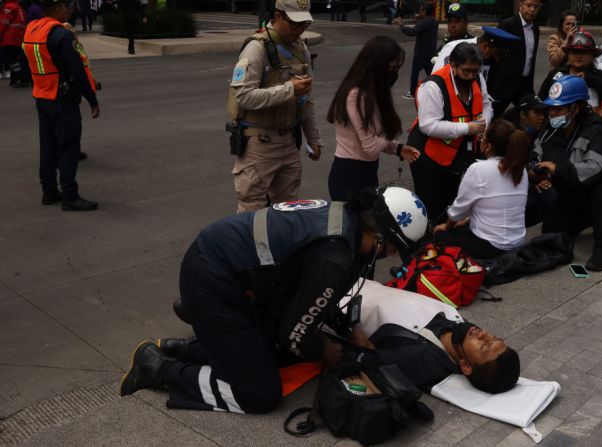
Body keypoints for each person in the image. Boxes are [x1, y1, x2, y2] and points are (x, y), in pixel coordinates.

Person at [119, 187, 430, 413]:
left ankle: (184, 347)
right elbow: (294, 333)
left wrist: (349, 331)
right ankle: (157, 368)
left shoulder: (344, 218)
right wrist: (324, 348)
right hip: (214, 280)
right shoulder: (334, 257)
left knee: (274, 350)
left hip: (224, 265)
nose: (389, 257)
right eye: (391, 249)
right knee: (258, 393)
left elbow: (314, 294)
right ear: (379, 238)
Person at [227, 0, 323, 213]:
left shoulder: (301, 48)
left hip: (289, 141)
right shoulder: (256, 48)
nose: (299, 30)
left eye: (304, 25)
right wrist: (289, 89)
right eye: (295, 25)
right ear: (278, 16)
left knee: (287, 209)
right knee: (251, 211)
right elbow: (243, 96)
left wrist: (314, 138)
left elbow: (308, 100)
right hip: (259, 143)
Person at [349, 280, 520, 393]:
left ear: (466, 366)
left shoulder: (421, 358)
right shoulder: (458, 331)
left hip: (341, 296)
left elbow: (364, 355)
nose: (483, 334)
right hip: (362, 283)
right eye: (493, 337)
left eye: (483, 346)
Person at [533, 76, 602, 271]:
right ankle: (587, 217)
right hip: (574, 185)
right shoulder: (550, 129)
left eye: (558, 109)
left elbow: (593, 168)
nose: (552, 113)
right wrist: (535, 172)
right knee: (551, 230)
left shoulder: (595, 129)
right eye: (551, 108)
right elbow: (536, 154)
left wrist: (557, 169)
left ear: (575, 108)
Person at [22, 0, 100, 210]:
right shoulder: (60, 35)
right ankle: (70, 196)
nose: (70, 11)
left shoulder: (32, 29)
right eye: (67, 7)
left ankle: (49, 191)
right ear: (57, 10)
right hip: (61, 99)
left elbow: (28, 63)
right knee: (68, 147)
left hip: (41, 97)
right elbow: (78, 71)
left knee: (48, 146)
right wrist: (92, 99)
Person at [327, 36, 420, 202]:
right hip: (350, 176)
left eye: (398, 69)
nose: (395, 74)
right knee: (355, 227)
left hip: (367, 173)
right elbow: (370, 147)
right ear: (375, 66)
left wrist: (397, 149)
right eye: (392, 68)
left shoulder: (373, 93)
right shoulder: (356, 96)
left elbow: (372, 138)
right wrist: (390, 137)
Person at [407, 42, 493, 222]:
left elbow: (486, 104)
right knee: (432, 207)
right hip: (428, 158)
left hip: (457, 155)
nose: (471, 76)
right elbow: (428, 125)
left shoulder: (477, 78)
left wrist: (484, 124)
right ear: (453, 65)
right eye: (466, 71)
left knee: (451, 201)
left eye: (475, 71)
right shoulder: (433, 86)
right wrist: (468, 128)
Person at [431, 119, 528, 260]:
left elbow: (458, 210)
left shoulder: (478, 169)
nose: (480, 140)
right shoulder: (521, 169)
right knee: (463, 226)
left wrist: (446, 227)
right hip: (517, 242)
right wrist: (465, 221)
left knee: (440, 235)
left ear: (488, 147)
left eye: (482, 138)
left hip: (492, 246)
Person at [538, 30, 602, 153]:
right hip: (559, 132)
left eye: (583, 52)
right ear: (568, 54)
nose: (578, 56)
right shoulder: (557, 75)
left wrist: (589, 79)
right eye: (574, 52)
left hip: (592, 135)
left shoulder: (600, 76)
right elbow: (541, 100)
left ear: (592, 55)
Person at [502, 95, 554, 227]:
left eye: (543, 113)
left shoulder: (541, 133)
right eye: (536, 113)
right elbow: (505, 168)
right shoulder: (508, 135)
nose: (542, 117)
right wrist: (530, 182)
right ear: (523, 115)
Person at [488, 0, 541, 117]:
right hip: (504, 84)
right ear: (520, 5)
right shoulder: (507, 25)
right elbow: (495, 53)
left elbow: (531, 57)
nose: (532, 9)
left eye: (536, 7)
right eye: (529, 5)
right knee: (491, 116)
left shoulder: (535, 29)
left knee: (532, 115)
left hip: (524, 85)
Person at [432, 26, 520, 82]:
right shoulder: (453, 48)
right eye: (496, 54)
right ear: (486, 47)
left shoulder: (490, 59)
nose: (497, 59)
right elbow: (436, 80)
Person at [394, 1, 438, 100]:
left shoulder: (425, 21)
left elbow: (412, 31)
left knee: (415, 73)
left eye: (421, 10)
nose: (419, 12)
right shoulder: (433, 21)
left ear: (425, 11)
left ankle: (412, 92)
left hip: (421, 53)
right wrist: (419, 19)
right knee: (432, 74)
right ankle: (436, 90)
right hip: (431, 52)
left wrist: (400, 25)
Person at [1, 0, 28, 87]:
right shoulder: (19, 7)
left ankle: (21, 78)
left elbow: (4, 23)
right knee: (16, 59)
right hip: (18, 37)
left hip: (9, 38)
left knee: (12, 60)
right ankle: (15, 79)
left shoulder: (8, 7)